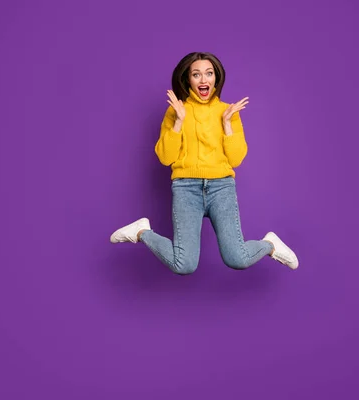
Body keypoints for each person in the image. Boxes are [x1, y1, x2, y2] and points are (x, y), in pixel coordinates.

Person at [109, 52, 299, 275]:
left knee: (237, 258)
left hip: (222, 188)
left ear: (216, 78)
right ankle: (142, 232)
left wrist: (227, 124)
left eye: (209, 74)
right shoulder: (175, 110)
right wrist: (178, 122)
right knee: (185, 264)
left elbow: (236, 159)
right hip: (186, 189)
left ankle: (271, 244)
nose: (203, 80)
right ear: (188, 79)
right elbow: (165, 157)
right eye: (196, 74)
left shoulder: (228, 111)